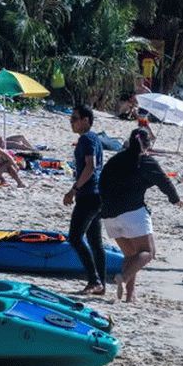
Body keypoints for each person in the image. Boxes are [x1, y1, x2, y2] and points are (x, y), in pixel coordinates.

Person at [100, 128, 183, 302]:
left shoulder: (116, 159)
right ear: (147, 145)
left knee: (131, 255)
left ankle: (130, 296)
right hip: (132, 213)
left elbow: (102, 182)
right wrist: (175, 200)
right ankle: (123, 278)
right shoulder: (145, 161)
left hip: (108, 215)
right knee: (148, 252)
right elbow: (164, 181)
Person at [64, 105, 106, 295]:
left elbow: (90, 166)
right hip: (97, 195)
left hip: (88, 194)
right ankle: (100, 284)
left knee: (74, 238)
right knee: (95, 241)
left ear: (86, 120)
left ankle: (94, 280)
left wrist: (74, 189)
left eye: (75, 118)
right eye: (71, 118)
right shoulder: (94, 138)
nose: (71, 122)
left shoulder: (87, 139)